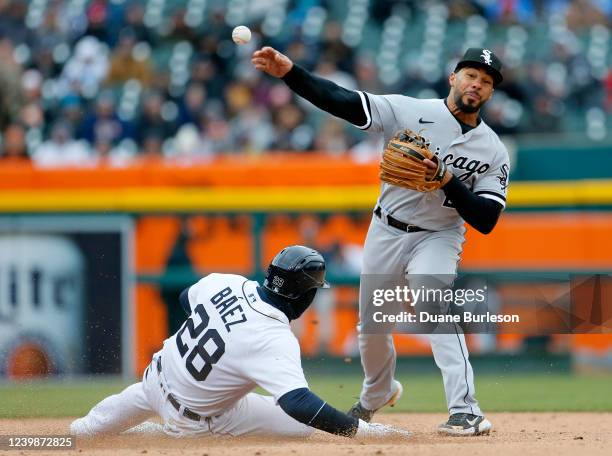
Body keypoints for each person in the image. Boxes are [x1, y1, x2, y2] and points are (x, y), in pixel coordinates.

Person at [252, 46, 510, 436]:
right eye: (471, 75)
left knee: (432, 301)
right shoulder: (408, 110)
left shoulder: (493, 150)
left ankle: (466, 409)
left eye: (486, 81)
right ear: (453, 78)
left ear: (490, 93)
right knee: (371, 327)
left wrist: (447, 180)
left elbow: (486, 219)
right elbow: (342, 100)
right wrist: (291, 73)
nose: (477, 84)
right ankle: (378, 393)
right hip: (386, 227)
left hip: (440, 234)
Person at [70, 246, 410, 439]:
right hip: (195, 423)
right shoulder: (274, 339)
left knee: (83, 433)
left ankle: (87, 431)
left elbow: (188, 298)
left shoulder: (227, 282)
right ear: (304, 297)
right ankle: (151, 437)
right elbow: (299, 404)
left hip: (152, 380)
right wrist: (360, 432)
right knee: (303, 429)